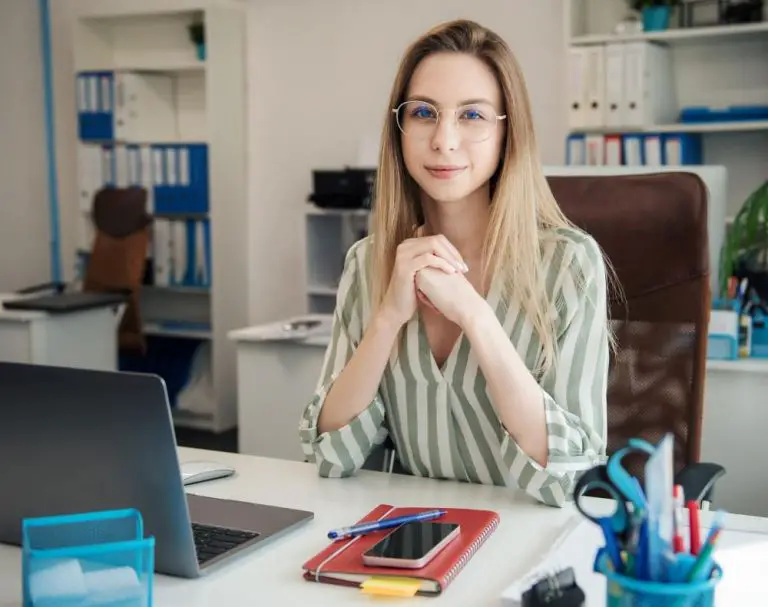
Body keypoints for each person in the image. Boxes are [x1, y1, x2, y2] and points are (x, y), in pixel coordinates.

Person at [298, 19, 610, 508]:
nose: (444, 140)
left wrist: (477, 318)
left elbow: (571, 475)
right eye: (424, 112)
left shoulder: (569, 265)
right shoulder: (367, 263)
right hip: (410, 539)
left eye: (472, 116)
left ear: (509, 133)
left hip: (527, 548)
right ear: (399, 129)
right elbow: (329, 454)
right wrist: (387, 319)